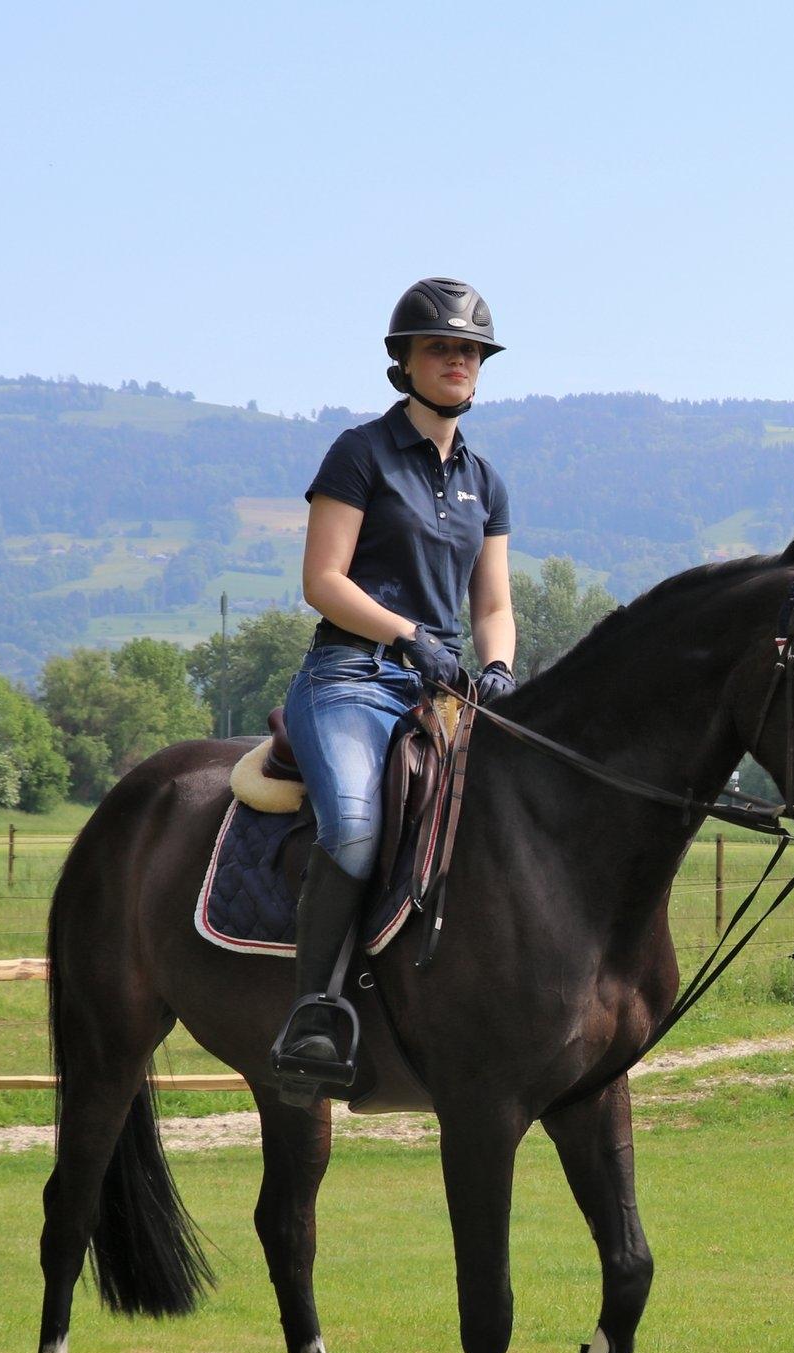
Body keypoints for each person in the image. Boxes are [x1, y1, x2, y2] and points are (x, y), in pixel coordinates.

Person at [269, 277, 518, 1088]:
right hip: (350, 676)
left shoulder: (488, 480)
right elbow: (324, 580)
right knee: (352, 827)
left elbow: (494, 603)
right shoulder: (359, 452)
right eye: (442, 347)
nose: (459, 360)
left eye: (471, 350)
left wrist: (500, 666)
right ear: (404, 361)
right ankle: (313, 1015)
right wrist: (409, 635)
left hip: (445, 692)